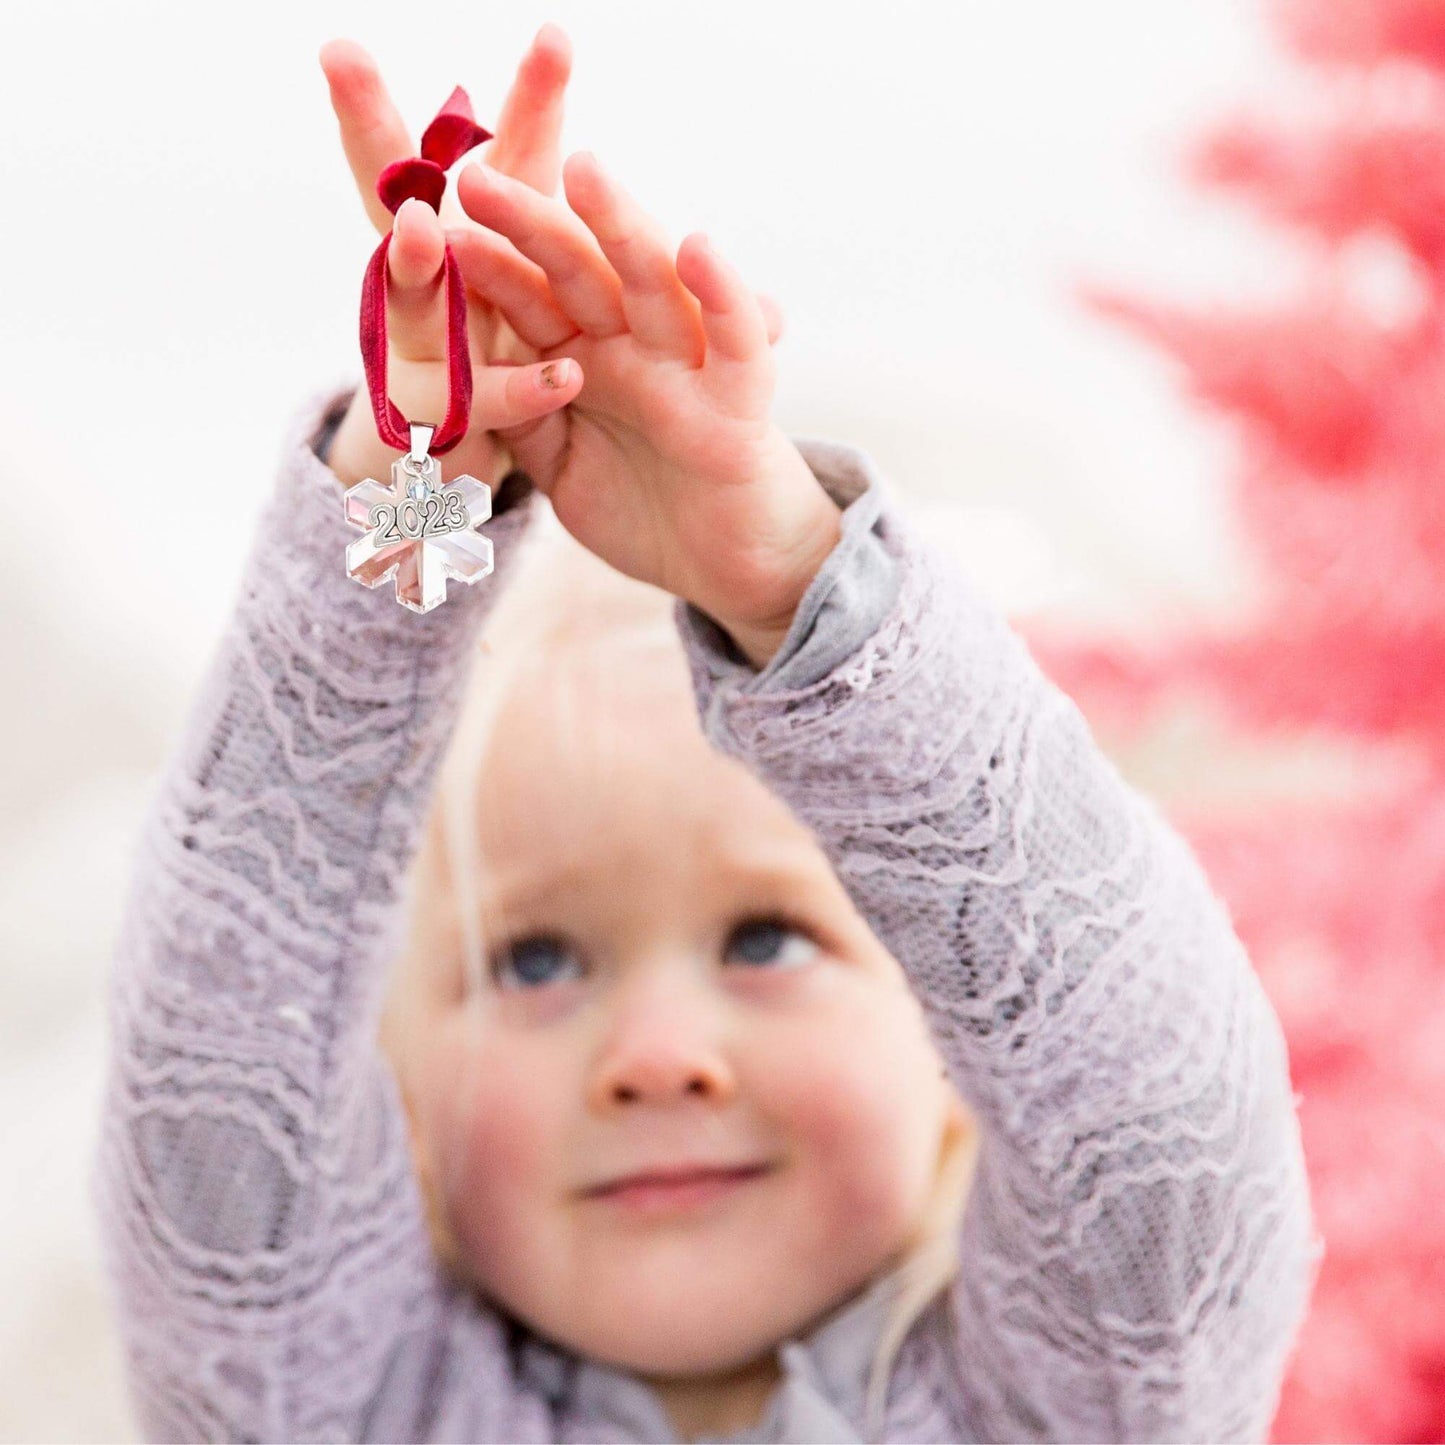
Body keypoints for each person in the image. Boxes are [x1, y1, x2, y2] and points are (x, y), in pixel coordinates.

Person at [91, 22, 1317, 1443]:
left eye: (767, 936)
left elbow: (1161, 1147)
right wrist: (411, 503)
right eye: (534, 956)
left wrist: (791, 576)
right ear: (399, 1102)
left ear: (966, 1071)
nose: (658, 1053)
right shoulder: (332, 1410)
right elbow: (225, 1075)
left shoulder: (1071, 1409)